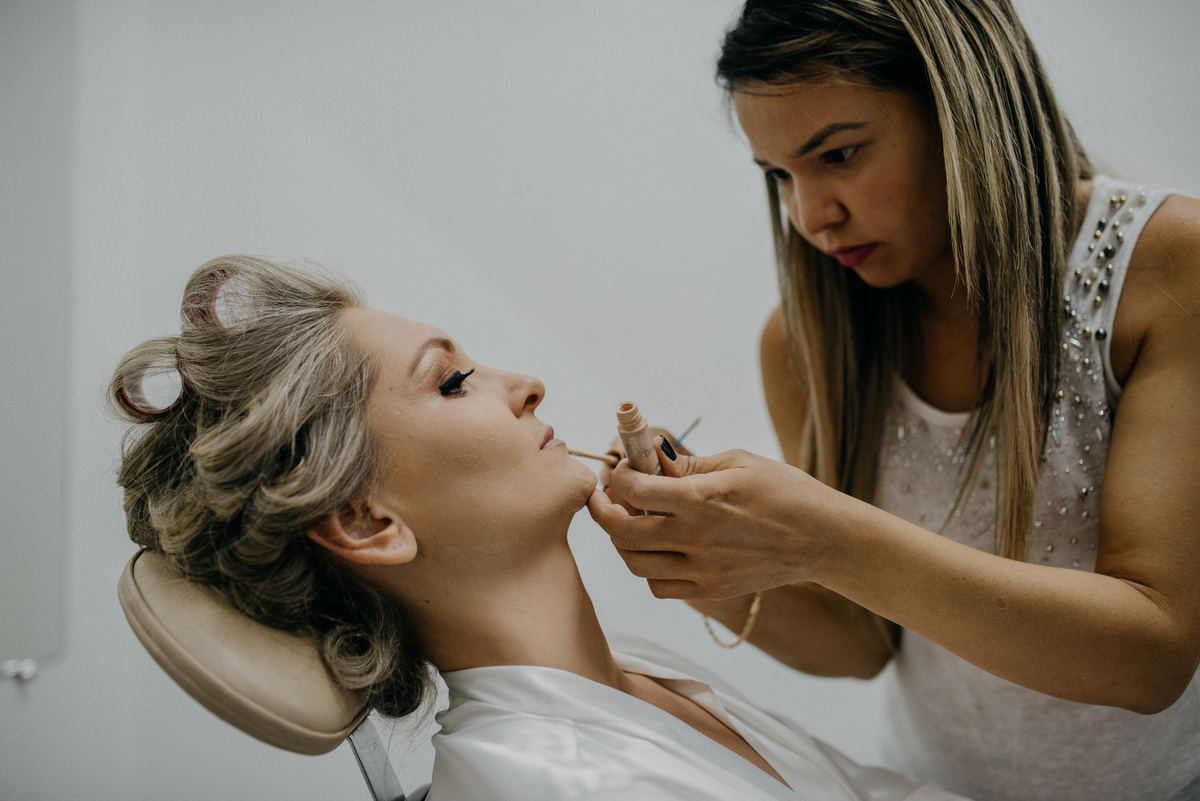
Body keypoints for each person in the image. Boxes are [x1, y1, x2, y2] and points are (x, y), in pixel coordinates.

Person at [587, 2, 1200, 800]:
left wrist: (828, 535)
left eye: (838, 155)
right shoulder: (804, 344)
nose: (811, 216)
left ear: (962, 106)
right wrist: (710, 563)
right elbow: (864, 645)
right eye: (779, 175)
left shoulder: (1168, 267)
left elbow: (1151, 657)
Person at [111, 255, 972, 801]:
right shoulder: (547, 779)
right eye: (452, 382)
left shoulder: (634, 670)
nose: (527, 384)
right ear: (367, 520)